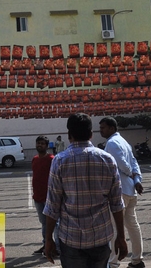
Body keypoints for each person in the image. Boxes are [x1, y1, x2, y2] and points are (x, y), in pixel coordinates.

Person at [43, 113, 127, 267]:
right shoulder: (107, 160)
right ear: (91, 134)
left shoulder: (59, 161)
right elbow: (117, 204)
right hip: (101, 239)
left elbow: (52, 206)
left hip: (71, 239)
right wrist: (121, 237)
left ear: (69, 135)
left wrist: (48, 239)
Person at [99, 117, 145, 268]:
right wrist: (137, 179)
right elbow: (134, 162)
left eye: (103, 128)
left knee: (113, 228)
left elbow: (124, 165)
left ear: (112, 128)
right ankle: (137, 260)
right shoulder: (124, 141)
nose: (101, 130)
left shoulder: (112, 143)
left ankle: (113, 263)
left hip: (119, 190)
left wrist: (131, 174)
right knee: (132, 225)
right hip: (130, 189)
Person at [32, 135, 56, 256]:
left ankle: (56, 246)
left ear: (47, 146)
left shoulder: (52, 159)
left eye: (42, 143)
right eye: (38, 143)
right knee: (44, 223)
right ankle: (46, 244)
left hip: (49, 198)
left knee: (54, 223)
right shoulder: (35, 159)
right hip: (38, 197)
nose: (39, 145)